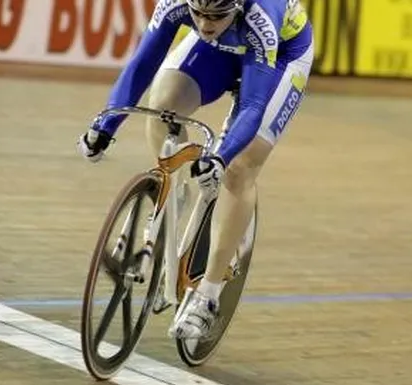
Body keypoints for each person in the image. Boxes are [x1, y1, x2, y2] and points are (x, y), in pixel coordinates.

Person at [76, 0, 314, 339]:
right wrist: (106, 124)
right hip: (220, 49)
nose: (203, 23)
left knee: (240, 166)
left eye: (215, 15)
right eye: (197, 13)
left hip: (280, 58)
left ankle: (209, 295)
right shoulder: (178, 5)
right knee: (163, 105)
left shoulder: (261, 16)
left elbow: (254, 105)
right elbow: (143, 63)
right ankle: (177, 198)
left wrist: (221, 156)